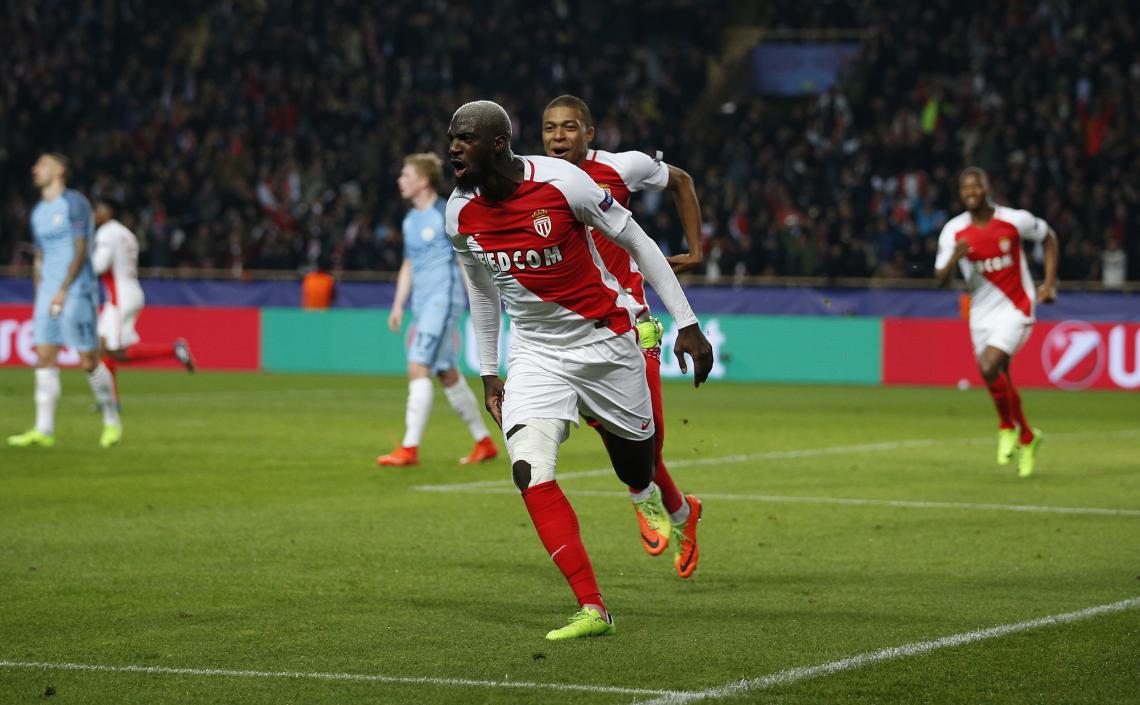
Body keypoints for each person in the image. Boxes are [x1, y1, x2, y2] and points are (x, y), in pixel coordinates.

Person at [445, 100, 713, 640]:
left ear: (498, 143)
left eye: (465, 137)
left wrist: (686, 321)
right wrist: (490, 370)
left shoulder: (564, 183)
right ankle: (593, 607)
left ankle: (661, 502)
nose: (453, 147)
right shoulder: (459, 213)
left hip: (607, 343)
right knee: (529, 470)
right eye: (451, 136)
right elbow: (481, 290)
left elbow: (638, 241)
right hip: (537, 356)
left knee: (639, 466)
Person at [542, 94, 706, 578]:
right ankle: (673, 510)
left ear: (589, 133)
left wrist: (696, 250)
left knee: (646, 437)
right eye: (550, 128)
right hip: (573, 334)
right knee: (625, 440)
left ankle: (657, 502)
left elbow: (681, 180)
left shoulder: (622, 167)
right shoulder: (531, 179)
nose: (558, 136)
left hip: (633, 323)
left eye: (569, 127)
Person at [377, 153, 498, 467]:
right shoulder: (409, 221)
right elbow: (408, 264)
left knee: (417, 365)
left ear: (423, 181)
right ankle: (484, 442)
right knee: (447, 374)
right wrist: (397, 305)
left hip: (443, 301)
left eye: (406, 175)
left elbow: (464, 258)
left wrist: (477, 297)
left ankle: (409, 448)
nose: (400, 181)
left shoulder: (445, 213)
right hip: (422, 303)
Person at [935, 167, 1058, 477]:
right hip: (981, 314)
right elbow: (940, 278)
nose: (970, 193)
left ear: (986, 188)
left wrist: (1049, 284)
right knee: (1000, 374)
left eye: (975, 187)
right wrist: (953, 259)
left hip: (1017, 307)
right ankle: (1028, 437)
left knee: (989, 366)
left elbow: (1048, 237)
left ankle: (1006, 427)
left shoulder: (1014, 220)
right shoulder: (953, 231)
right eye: (965, 189)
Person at [6, 154, 120, 448]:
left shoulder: (75, 203)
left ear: (59, 171)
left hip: (77, 289)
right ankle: (44, 430)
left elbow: (81, 250)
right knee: (44, 356)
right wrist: (41, 291)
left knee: (88, 361)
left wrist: (63, 289)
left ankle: (111, 419)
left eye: (41, 165)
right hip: (48, 292)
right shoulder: (38, 212)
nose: (34, 169)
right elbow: (41, 256)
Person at [93, 195, 195, 391]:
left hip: (119, 296)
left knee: (112, 350)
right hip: (131, 290)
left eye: (97, 209)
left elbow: (100, 264)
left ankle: (172, 349)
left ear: (108, 212)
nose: (94, 214)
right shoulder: (128, 234)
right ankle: (110, 401)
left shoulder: (106, 232)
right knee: (104, 347)